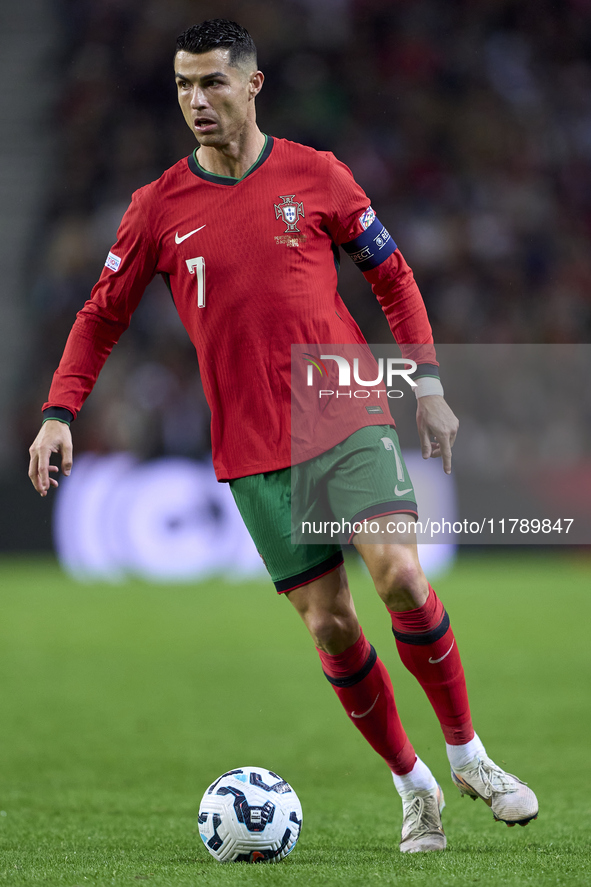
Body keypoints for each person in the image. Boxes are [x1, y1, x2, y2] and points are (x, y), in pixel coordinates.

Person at [28, 19, 538, 852]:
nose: (196, 100)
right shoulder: (156, 207)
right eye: (184, 85)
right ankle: (413, 786)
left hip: (342, 408)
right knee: (332, 625)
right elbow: (99, 315)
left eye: (213, 83)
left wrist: (430, 384)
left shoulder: (317, 174)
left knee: (402, 575)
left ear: (252, 84)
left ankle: (469, 755)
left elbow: (393, 276)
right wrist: (60, 409)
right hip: (252, 445)